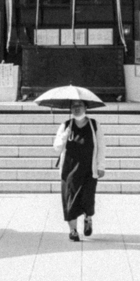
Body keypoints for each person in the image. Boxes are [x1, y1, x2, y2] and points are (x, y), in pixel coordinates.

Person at [53, 100, 106, 241]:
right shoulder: (65, 125)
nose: (76, 109)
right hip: (69, 170)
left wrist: (101, 166)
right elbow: (57, 148)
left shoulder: (94, 125)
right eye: (73, 106)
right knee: (69, 200)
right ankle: (73, 231)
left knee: (87, 199)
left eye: (80, 106)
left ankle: (88, 218)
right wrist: (65, 135)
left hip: (89, 169)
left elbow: (101, 146)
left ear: (86, 108)